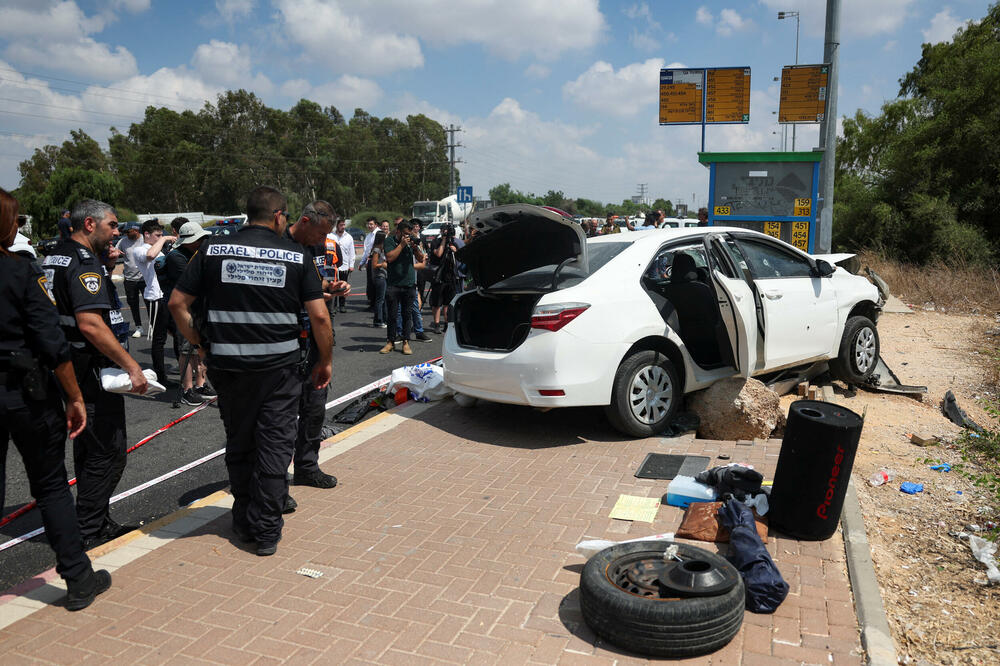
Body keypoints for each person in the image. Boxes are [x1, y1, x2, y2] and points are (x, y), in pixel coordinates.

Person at [169, 186, 331, 556]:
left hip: (227, 367)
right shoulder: (294, 256)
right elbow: (319, 316)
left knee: (240, 443)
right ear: (278, 216)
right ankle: (267, 532)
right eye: (285, 217)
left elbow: (177, 303)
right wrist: (325, 359)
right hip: (279, 371)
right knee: (274, 447)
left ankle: (243, 520)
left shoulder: (212, 249)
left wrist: (200, 344)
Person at [0, 188, 112, 611]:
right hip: (25, 392)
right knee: (50, 486)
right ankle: (78, 579)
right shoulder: (19, 271)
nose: (16, 227)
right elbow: (51, 341)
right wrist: (75, 396)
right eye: (12, 219)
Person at [46, 199, 148, 549]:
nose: (117, 233)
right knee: (109, 452)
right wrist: (132, 366)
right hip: (87, 370)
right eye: (113, 226)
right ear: (89, 224)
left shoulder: (55, 256)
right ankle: (89, 530)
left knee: (89, 451)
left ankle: (95, 519)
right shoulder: (83, 262)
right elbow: (90, 324)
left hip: (67, 368)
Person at [285, 201, 346, 491]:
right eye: (320, 235)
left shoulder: (317, 245)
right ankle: (275, 481)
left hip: (313, 341)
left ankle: (307, 467)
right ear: (305, 221)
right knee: (281, 415)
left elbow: (316, 279)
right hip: (286, 341)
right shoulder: (281, 245)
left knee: (314, 408)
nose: (323, 242)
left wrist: (329, 287)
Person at [163, 222, 214, 406]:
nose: (202, 241)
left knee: (201, 347)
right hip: (183, 310)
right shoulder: (175, 257)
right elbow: (193, 282)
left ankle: (200, 385)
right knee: (186, 349)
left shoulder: (197, 253)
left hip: (199, 307)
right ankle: (187, 389)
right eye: (198, 239)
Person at [129, 219, 176, 383]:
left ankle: (183, 368)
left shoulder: (159, 249)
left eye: (162, 234)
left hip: (168, 296)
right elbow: (150, 256)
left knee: (178, 333)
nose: (160, 237)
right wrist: (164, 240)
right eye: (157, 235)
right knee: (159, 339)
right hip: (155, 298)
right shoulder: (140, 250)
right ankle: (161, 376)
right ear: (146, 234)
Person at [380, 219, 423, 355]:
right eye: (405, 234)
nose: (407, 236)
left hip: (409, 284)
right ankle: (390, 342)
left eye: (409, 234)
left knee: (407, 315)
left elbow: (421, 259)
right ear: (398, 231)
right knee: (392, 315)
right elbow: (390, 258)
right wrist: (402, 245)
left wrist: (415, 248)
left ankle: (406, 342)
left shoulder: (411, 242)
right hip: (393, 284)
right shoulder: (389, 241)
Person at [428, 223, 464, 334]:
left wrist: (455, 250)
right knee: (437, 303)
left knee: (448, 303)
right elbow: (439, 254)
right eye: (445, 230)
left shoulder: (454, 243)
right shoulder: (435, 242)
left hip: (451, 276)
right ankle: (437, 324)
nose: (447, 232)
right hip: (438, 276)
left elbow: (460, 258)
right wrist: (444, 240)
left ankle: (447, 324)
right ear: (441, 231)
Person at [116, 224, 146, 338]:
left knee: (149, 303)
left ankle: (153, 326)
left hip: (144, 278)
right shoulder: (123, 241)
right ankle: (139, 327)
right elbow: (115, 249)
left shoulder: (144, 239)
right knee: (133, 304)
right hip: (129, 279)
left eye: (128, 232)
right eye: (125, 232)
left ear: (136, 230)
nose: (126, 234)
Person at [328, 218, 355, 313]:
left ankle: (342, 305)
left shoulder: (349, 237)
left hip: (344, 266)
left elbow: (352, 252)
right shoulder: (331, 236)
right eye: (341, 225)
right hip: (333, 266)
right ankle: (334, 305)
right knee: (334, 286)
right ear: (337, 225)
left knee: (343, 286)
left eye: (344, 225)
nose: (343, 227)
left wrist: (351, 265)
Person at [358, 217, 378, 311]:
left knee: (375, 283)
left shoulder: (378, 234)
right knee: (370, 283)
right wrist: (362, 262)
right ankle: (372, 303)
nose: (369, 226)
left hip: (377, 260)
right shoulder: (369, 235)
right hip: (369, 260)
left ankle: (375, 305)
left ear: (376, 225)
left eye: (371, 224)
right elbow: (366, 251)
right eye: (368, 224)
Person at [370, 231, 387, 328]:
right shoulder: (377, 249)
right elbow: (374, 264)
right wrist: (383, 264)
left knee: (383, 299)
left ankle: (384, 318)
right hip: (379, 276)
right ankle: (378, 320)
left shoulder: (382, 249)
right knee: (380, 299)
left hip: (383, 275)